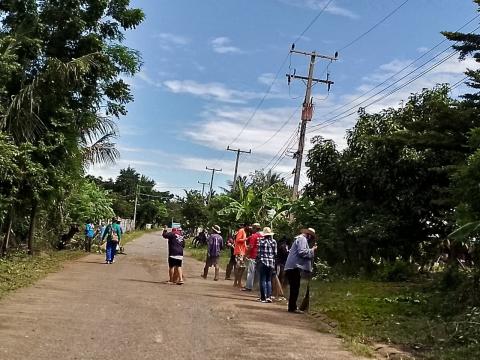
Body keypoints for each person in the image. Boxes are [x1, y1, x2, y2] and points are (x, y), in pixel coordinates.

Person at [284, 228, 317, 313]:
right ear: (309, 235)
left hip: (292, 266)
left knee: (294, 287)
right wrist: (312, 250)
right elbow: (302, 252)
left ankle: (292, 306)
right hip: (294, 266)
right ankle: (292, 307)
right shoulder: (302, 239)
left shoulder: (299, 239)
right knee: (295, 287)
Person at [257, 227, 277, 303]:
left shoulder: (260, 241)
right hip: (271, 262)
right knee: (268, 280)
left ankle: (263, 297)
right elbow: (275, 253)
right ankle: (269, 297)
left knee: (262, 279)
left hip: (263, 262)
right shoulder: (274, 241)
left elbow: (258, 253)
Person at [243, 223, 262, 292]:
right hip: (260, 257)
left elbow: (250, 247)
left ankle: (248, 287)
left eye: (252, 228)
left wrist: (246, 255)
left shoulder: (254, 236)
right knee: (259, 273)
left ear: (255, 229)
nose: (251, 230)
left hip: (253, 256)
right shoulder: (262, 236)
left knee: (251, 272)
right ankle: (259, 288)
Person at [233, 224, 248, 288]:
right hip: (239, 251)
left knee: (241, 267)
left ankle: (238, 282)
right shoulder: (241, 230)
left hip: (242, 251)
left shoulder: (244, 232)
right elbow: (238, 240)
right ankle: (236, 282)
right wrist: (246, 239)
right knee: (239, 267)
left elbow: (244, 244)